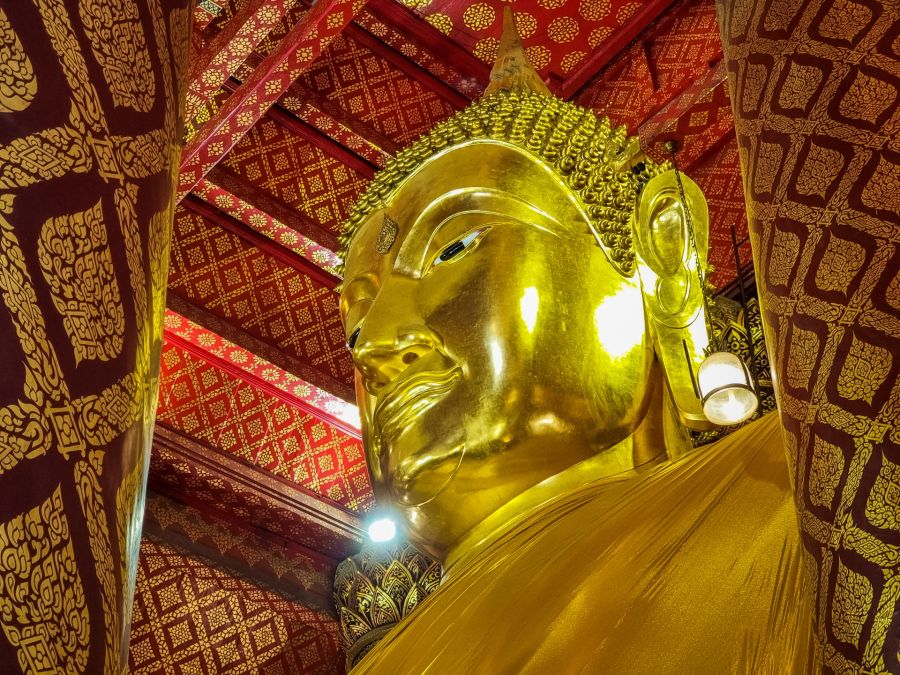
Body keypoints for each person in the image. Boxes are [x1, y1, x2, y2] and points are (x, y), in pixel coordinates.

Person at [337, 12, 815, 672]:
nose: (376, 344)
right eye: (356, 324)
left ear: (660, 253)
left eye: (452, 246)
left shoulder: (801, 500)